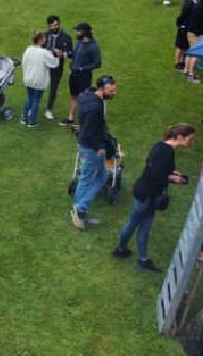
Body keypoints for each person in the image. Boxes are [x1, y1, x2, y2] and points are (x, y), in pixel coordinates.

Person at [112, 124, 193, 272]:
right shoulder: (167, 152)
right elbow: (157, 175)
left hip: (144, 191)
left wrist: (172, 173)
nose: (191, 141)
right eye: (190, 138)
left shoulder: (160, 145)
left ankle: (129, 253)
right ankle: (129, 254)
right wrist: (174, 179)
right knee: (138, 225)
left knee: (139, 224)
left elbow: (155, 167)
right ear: (180, 136)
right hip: (148, 195)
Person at [70, 75, 118, 230]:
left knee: (96, 177)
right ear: (101, 89)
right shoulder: (94, 107)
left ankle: (79, 210)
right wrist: (99, 147)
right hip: (91, 149)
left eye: (115, 90)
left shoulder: (88, 95)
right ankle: (80, 209)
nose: (114, 93)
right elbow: (88, 132)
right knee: (91, 178)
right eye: (111, 90)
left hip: (88, 146)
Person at [61, 23, 102, 128]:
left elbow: (97, 63)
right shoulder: (79, 42)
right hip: (73, 74)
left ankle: (83, 122)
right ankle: (70, 119)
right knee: (74, 96)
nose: (76, 33)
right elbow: (75, 55)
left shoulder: (93, 46)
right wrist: (66, 54)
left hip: (84, 77)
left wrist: (82, 68)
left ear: (85, 32)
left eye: (78, 31)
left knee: (83, 98)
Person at [21, 31, 59, 128]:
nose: (45, 40)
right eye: (44, 38)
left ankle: (24, 118)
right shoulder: (44, 52)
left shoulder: (28, 49)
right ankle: (32, 122)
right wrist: (57, 55)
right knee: (36, 100)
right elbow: (54, 64)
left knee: (29, 98)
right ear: (40, 40)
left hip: (28, 78)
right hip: (38, 80)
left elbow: (24, 62)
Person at [44, 16, 73, 121]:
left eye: (56, 24)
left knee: (53, 87)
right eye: (52, 25)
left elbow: (71, 53)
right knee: (39, 86)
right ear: (48, 25)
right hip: (44, 66)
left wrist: (62, 54)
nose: (55, 27)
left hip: (57, 66)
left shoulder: (66, 37)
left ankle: (48, 109)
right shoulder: (45, 35)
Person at [175, 0, 202, 71]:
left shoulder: (194, 2)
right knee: (180, 46)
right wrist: (181, 24)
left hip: (188, 27)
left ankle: (182, 62)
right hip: (184, 26)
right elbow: (182, 15)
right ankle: (177, 63)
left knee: (185, 46)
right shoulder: (189, 2)